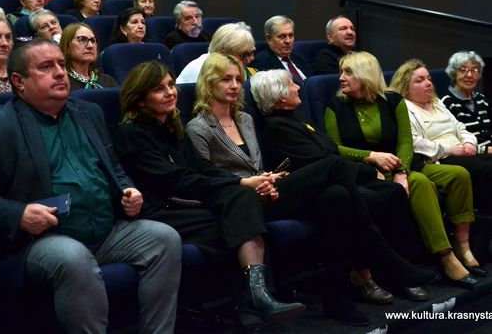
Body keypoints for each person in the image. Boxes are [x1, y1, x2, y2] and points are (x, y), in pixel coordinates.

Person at [0, 37, 181, 333]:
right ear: (19, 81)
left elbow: (113, 166)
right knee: (73, 257)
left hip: (105, 230)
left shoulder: (89, 113)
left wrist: (128, 190)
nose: (60, 73)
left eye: (61, 64)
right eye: (46, 67)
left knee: (165, 238)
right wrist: (18, 214)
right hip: (44, 239)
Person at [186, 53, 435, 324]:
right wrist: (248, 183)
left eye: (237, 79)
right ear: (209, 83)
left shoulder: (245, 119)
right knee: (333, 165)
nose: (235, 85)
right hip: (240, 204)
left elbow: (258, 164)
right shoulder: (199, 127)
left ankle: (336, 299)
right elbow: (206, 177)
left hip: (269, 189)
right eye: (226, 80)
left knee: (336, 197)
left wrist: (268, 177)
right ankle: (385, 258)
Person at [113, 61, 306, 323]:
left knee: (242, 201)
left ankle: (252, 302)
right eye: (159, 89)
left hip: (185, 202)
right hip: (158, 211)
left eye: (170, 85)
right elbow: (175, 179)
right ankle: (249, 303)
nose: (170, 92)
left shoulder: (171, 126)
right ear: (140, 100)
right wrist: (241, 183)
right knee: (235, 222)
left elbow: (202, 167)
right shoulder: (130, 134)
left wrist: (244, 182)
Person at [249, 69, 437, 294]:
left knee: (393, 191)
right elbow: (320, 161)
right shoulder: (276, 126)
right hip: (315, 189)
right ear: (280, 96)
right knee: (361, 198)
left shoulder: (298, 115)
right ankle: (378, 269)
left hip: (337, 177)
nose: (298, 87)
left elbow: (330, 149)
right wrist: (367, 171)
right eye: (291, 85)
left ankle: (402, 265)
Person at [324, 51, 483, 287]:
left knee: (445, 177)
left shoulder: (392, 101)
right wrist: (370, 156)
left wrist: (401, 172)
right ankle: (439, 257)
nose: (340, 78)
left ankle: (454, 251)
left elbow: (405, 142)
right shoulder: (336, 106)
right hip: (366, 171)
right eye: (341, 72)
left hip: (401, 165)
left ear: (365, 74)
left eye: (348, 72)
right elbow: (333, 148)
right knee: (420, 183)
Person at [390, 59, 492, 216]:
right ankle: (483, 220)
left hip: (463, 151)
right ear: (405, 86)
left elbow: (460, 127)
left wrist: (469, 143)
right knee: (486, 170)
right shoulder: (404, 108)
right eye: (420, 80)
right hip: (439, 157)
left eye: (429, 79)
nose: (428, 83)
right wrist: (450, 149)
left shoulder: (437, 103)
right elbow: (415, 142)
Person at [441, 51, 492, 154]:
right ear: (454, 74)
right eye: (463, 70)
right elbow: (452, 142)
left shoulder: (482, 100)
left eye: (474, 70)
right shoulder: (446, 103)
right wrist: (485, 150)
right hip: (470, 155)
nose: (469, 75)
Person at [176, 22, 258, 84]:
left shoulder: (244, 70)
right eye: (243, 55)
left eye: (251, 53)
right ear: (223, 53)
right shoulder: (200, 70)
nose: (250, 59)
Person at [249, 15, 312, 82]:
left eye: (291, 35)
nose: (288, 41)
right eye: (282, 36)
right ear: (269, 39)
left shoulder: (298, 58)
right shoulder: (261, 61)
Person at [60, 23, 117, 90]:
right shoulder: (62, 82)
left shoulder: (108, 81)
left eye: (93, 40)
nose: (90, 46)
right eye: (82, 40)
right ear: (67, 48)